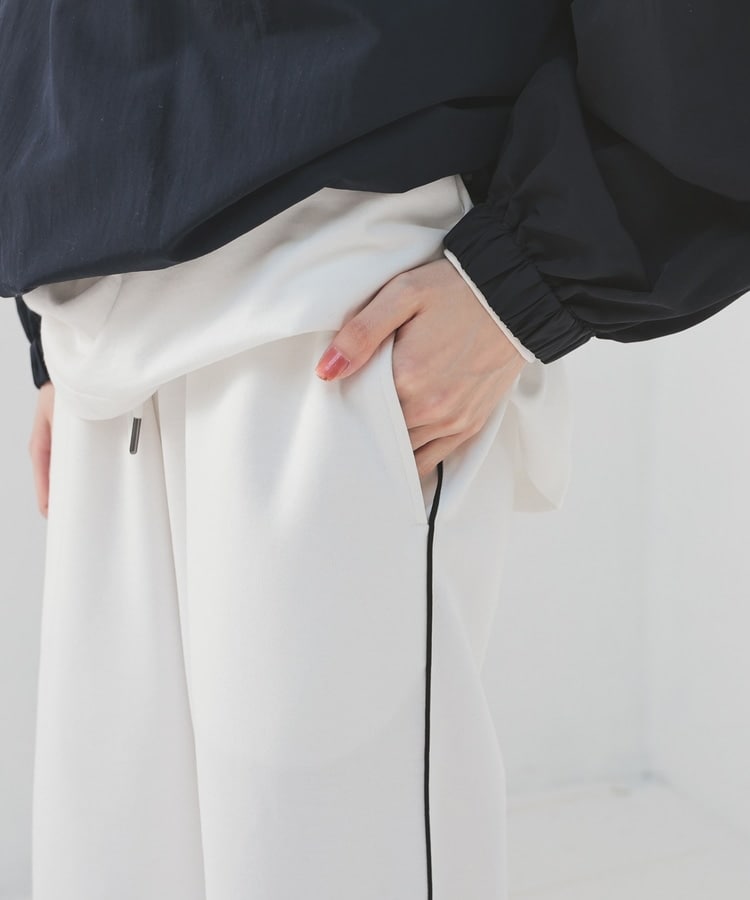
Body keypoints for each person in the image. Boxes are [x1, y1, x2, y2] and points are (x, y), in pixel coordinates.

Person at [4, 2, 750, 899]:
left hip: (344, 287)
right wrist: (50, 317)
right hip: (98, 308)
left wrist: (527, 279)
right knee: (115, 856)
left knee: (320, 855)